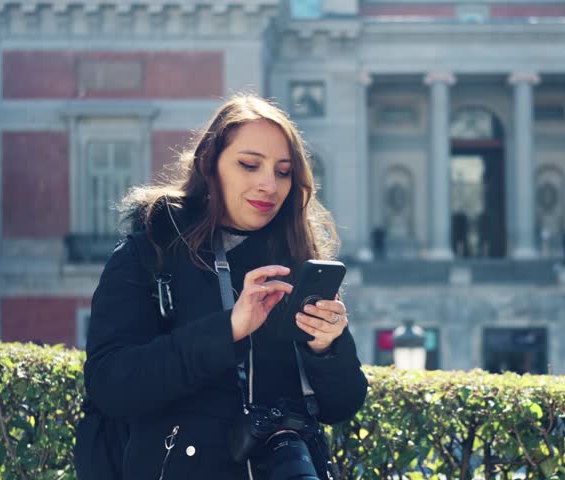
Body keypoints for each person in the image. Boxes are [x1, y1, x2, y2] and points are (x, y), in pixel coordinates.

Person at [74, 94, 368, 480]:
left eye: (283, 172)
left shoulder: (297, 260)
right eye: (249, 165)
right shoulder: (154, 247)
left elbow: (341, 405)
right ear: (210, 164)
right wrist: (228, 328)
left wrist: (327, 347)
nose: (269, 185)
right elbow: (109, 383)